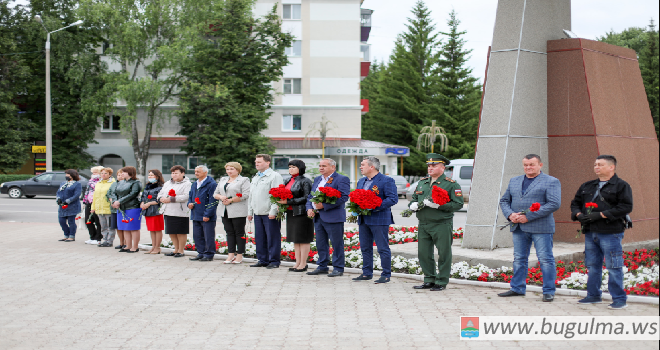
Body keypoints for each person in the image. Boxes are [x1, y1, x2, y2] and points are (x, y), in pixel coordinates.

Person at [571, 155, 633, 310]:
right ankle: (593, 295)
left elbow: (626, 207)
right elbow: (575, 203)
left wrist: (601, 215)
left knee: (614, 265)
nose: (596, 167)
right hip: (591, 232)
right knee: (592, 265)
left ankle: (619, 299)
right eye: (595, 164)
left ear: (611, 167)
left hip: (610, 232)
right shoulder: (588, 185)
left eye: (600, 164)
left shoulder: (621, 186)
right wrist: (579, 215)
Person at [498, 154, 561, 302]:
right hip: (518, 227)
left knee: (545, 259)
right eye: (526, 165)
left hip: (541, 228)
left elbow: (553, 204)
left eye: (532, 164)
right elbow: (505, 200)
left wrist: (529, 216)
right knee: (519, 259)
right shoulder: (515, 181)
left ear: (540, 165)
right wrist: (510, 215)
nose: (528, 167)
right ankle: (517, 288)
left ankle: (548, 291)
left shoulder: (551, 181)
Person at [409, 154, 464, 291]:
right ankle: (429, 279)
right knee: (424, 253)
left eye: (434, 165)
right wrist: (412, 205)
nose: (430, 168)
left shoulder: (451, 184)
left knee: (444, 253)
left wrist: (440, 206)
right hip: (424, 223)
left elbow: (458, 204)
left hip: (441, 224)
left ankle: (441, 281)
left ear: (442, 167)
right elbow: (414, 198)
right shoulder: (422, 182)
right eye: (429, 165)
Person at [352, 156, 398, 284]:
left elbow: (392, 199)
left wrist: (373, 206)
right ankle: (367, 273)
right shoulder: (361, 181)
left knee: (382, 248)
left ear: (372, 167)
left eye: (363, 165)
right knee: (365, 247)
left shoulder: (386, 180)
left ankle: (386, 274)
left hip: (379, 219)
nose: (360, 167)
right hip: (363, 219)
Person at [306, 159, 350, 276]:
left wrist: (324, 206)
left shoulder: (341, 179)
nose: (321, 168)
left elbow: (344, 197)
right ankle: (322, 266)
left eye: (324, 166)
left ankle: (338, 268)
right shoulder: (317, 179)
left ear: (333, 167)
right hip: (318, 217)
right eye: (320, 166)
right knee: (320, 243)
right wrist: (309, 208)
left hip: (333, 217)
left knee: (336, 243)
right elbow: (310, 196)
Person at [247, 154, 284, 269]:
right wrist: (250, 211)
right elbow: (251, 196)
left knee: (273, 237)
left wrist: (273, 211)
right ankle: (262, 259)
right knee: (260, 237)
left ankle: (274, 261)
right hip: (258, 213)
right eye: (256, 162)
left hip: (269, 213)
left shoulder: (274, 176)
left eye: (259, 162)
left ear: (268, 162)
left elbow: (276, 195)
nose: (256, 164)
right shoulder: (256, 177)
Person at [278, 159, 314, 272]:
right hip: (291, 212)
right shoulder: (288, 180)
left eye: (293, 167)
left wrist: (288, 202)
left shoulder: (305, 181)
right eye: (289, 167)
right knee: (296, 239)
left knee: (303, 239)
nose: (291, 169)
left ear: (300, 168)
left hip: (302, 213)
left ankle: (303, 264)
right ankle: (297, 262)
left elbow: (307, 197)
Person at [214, 162, 251, 264]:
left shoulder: (244, 180)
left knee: (239, 233)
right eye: (227, 169)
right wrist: (221, 197)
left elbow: (245, 195)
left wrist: (231, 200)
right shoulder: (223, 179)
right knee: (229, 232)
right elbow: (215, 193)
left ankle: (239, 255)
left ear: (238, 170)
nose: (229, 171)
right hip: (224, 210)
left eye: (231, 169)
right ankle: (230, 254)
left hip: (238, 210)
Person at [158, 165, 192, 258]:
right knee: (171, 231)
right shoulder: (168, 183)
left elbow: (186, 196)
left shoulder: (187, 183)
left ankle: (181, 251)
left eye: (176, 173)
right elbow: (160, 193)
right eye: (172, 173)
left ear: (182, 173)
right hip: (168, 210)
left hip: (180, 211)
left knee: (180, 231)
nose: (174, 175)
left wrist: (171, 199)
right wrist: (161, 198)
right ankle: (175, 249)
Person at [188, 165, 218, 262]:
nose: (196, 173)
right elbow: (190, 197)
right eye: (195, 171)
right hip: (196, 214)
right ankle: (201, 253)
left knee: (208, 236)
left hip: (206, 216)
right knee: (197, 235)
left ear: (205, 172)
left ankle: (209, 254)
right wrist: (189, 204)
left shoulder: (212, 184)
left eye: (198, 171)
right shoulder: (194, 184)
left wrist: (207, 214)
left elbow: (213, 201)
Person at [112, 166, 142, 253]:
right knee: (125, 227)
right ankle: (127, 245)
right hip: (121, 208)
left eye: (124, 172)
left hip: (132, 207)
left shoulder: (136, 182)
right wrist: (114, 201)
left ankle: (135, 247)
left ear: (130, 173)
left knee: (133, 228)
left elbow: (133, 194)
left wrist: (119, 201)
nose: (122, 174)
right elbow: (114, 192)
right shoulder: (120, 182)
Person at [141, 169, 165, 254]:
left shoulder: (161, 187)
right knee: (152, 229)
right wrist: (142, 203)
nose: (150, 177)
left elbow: (160, 199)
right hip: (148, 211)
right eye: (149, 175)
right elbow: (143, 197)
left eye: (152, 175)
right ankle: (153, 247)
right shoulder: (148, 186)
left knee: (157, 229)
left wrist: (149, 203)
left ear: (157, 176)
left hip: (156, 210)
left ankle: (158, 247)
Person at [91, 167, 116, 247]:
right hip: (99, 209)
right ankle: (104, 240)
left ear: (110, 174)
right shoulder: (98, 183)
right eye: (102, 173)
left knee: (110, 227)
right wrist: (93, 207)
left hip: (109, 208)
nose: (103, 175)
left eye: (105, 173)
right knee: (103, 226)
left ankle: (110, 241)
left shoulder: (113, 183)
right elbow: (95, 196)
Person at [56, 169, 83, 242]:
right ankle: (66, 235)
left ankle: (72, 236)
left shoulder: (77, 184)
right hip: (62, 206)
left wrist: (68, 201)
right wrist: (58, 199)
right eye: (66, 174)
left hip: (72, 206)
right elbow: (58, 192)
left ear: (72, 175)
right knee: (61, 221)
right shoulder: (63, 183)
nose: (66, 176)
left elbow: (77, 195)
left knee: (71, 221)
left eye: (68, 174)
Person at [83, 166, 104, 244]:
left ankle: (98, 238)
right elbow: (87, 191)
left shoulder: (101, 181)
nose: (94, 174)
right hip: (89, 202)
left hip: (97, 203)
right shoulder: (91, 180)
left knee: (98, 221)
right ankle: (92, 236)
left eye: (95, 172)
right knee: (88, 220)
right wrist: (85, 201)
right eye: (93, 172)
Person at [107, 169, 125, 249]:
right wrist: (111, 200)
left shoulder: (127, 184)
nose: (120, 177)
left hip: (123, 208)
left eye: (122, 175)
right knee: (118, 227)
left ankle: (126, 243)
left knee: (125, 226)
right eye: (118, 175)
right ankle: (121, 243)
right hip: (114, 209)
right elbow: (108, 193)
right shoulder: (114, 184)